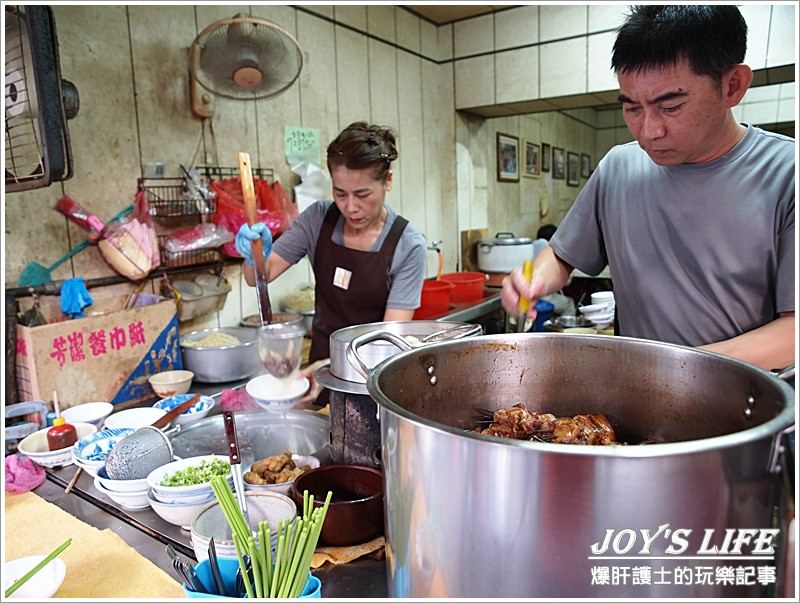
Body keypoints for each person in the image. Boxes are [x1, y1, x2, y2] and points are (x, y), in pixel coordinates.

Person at [502, 5, 794, 370]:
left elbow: (793, 330)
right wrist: (532, 280)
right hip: (636, 402)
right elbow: (562, 256)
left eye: (670, 106)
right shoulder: (618, 168)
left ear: (732, 85)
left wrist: (680, 367)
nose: (648, 131)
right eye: (633, 108)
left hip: (745, 408)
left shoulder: (786, 174)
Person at [236, 122, 427, 404]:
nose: (350, 207)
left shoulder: (407, 245)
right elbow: (257, 278)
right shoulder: (318, 219)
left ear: (388, 180)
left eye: (362, 194)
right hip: (317, 376)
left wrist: (329, 369)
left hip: (373, 383)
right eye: (340, 193)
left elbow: (388, 343)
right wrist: (253, 254)